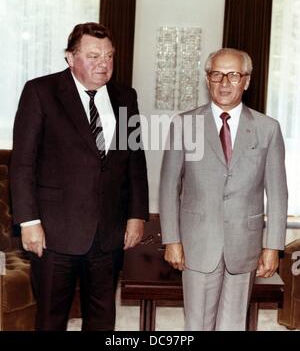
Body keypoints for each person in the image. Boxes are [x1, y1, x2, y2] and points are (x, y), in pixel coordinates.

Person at [10, 22, 149, 331]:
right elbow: (22, 164)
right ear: (70, 58)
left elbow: (135, 163)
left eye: (110, 56)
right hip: (53, 233)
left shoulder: (126, 96)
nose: (104, 63)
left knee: (102, 319)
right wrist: (29, 223)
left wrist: (137, 215)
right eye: (93, 55)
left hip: (108, 232)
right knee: (51, 319)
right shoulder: (40, 92)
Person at [159, 48, 288, 331]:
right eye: (217, 74)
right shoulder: (185, 124)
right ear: (208, 80)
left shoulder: (268, 129)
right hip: (196, 245)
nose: (225, 82)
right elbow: (169, 186)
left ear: (247, 81)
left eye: (233, 75)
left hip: (245, 245)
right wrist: (171, 239)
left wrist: (273, 246)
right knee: (196, 324)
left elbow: (278, 193)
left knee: (233, 324)